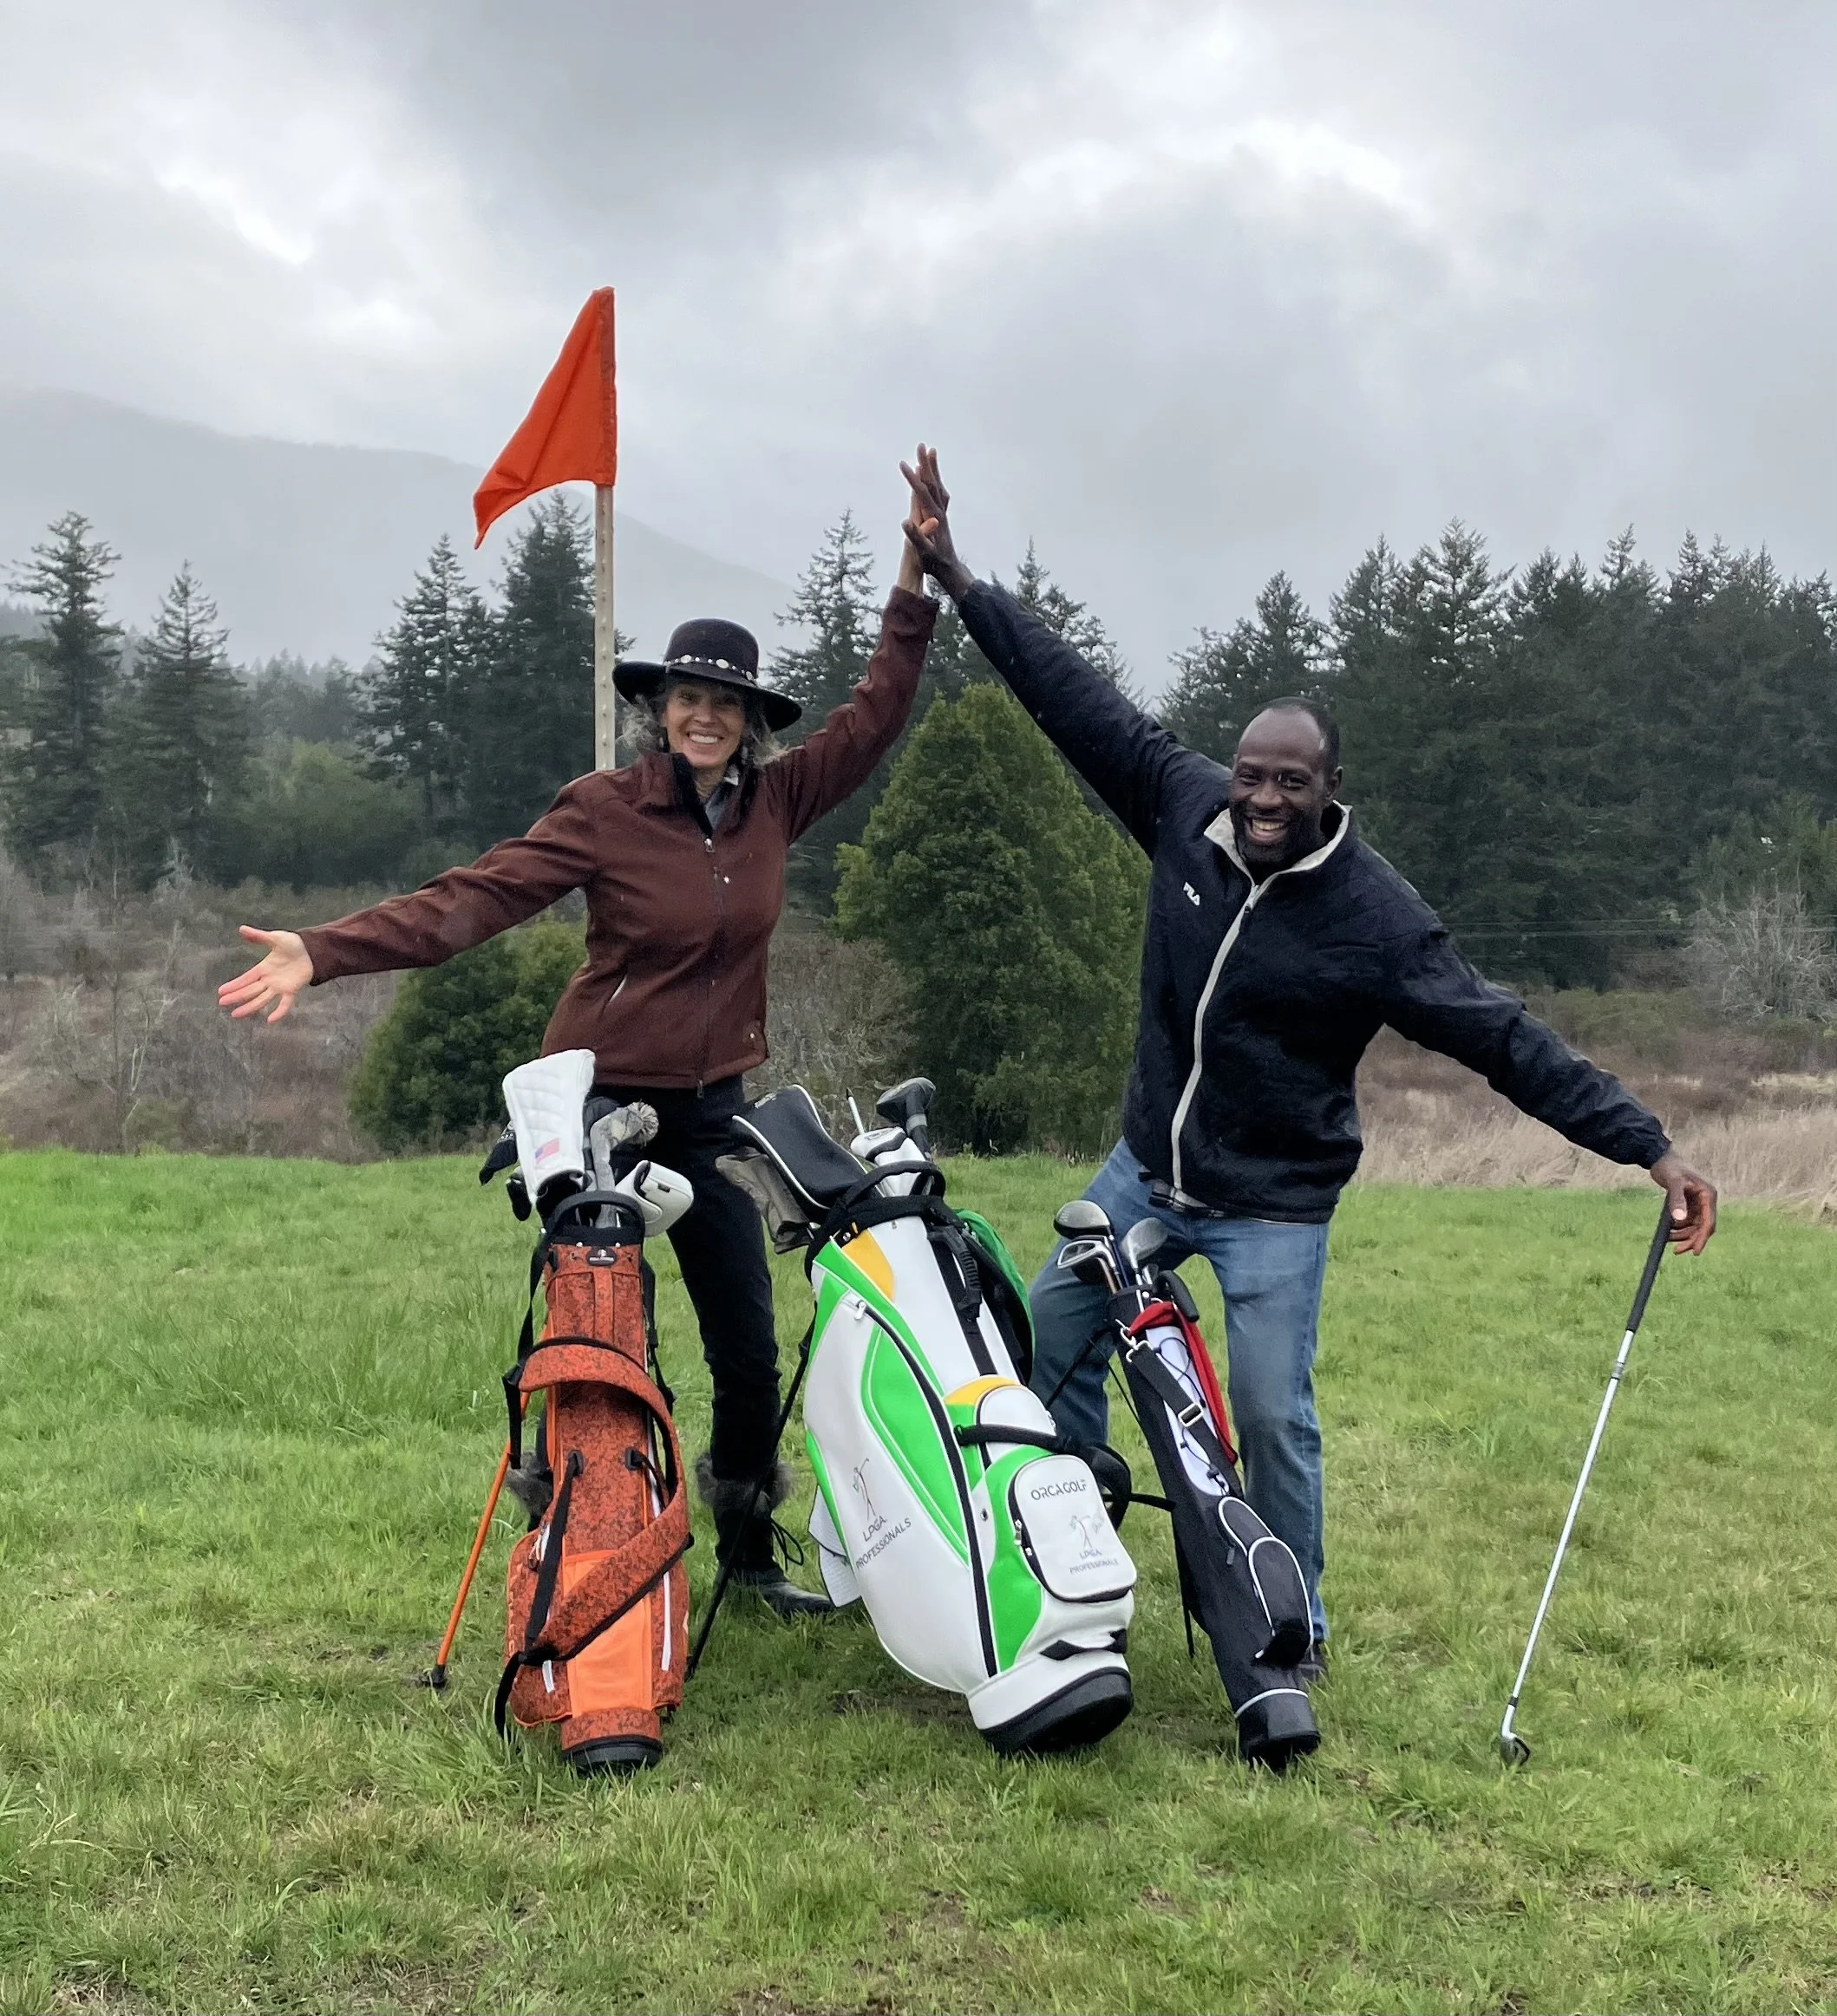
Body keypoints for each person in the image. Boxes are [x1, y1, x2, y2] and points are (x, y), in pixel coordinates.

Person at [897, 447, 1716, 1670]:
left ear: (1332, 790)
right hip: (1139, 1175)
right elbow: (1072, 698)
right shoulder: (1183, 806)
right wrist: (957, 576)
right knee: (1053, 1332)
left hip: (1272, 1206)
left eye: (1289, 780)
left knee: (1272, 1417)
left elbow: (1502, 1037)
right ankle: (1075, 1562)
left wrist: (1644, 1144)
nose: (1262, 796)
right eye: (1250, 773)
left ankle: (1293, 1631)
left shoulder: (1375, 922)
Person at [219, 461, 941, 1618]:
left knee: (747, 1347)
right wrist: (325, 948)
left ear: (751, 718)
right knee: (606, 1343)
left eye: (724, 701)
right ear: (659, 708)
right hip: (599, 1110)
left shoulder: (777, 802)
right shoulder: (605, 810)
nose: (703, 715)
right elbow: (474, 899)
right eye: (683, 697)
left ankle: (746, 1553)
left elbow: (876, 716)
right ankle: (589, 1542)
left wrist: (913, 581)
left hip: (710, 1113)